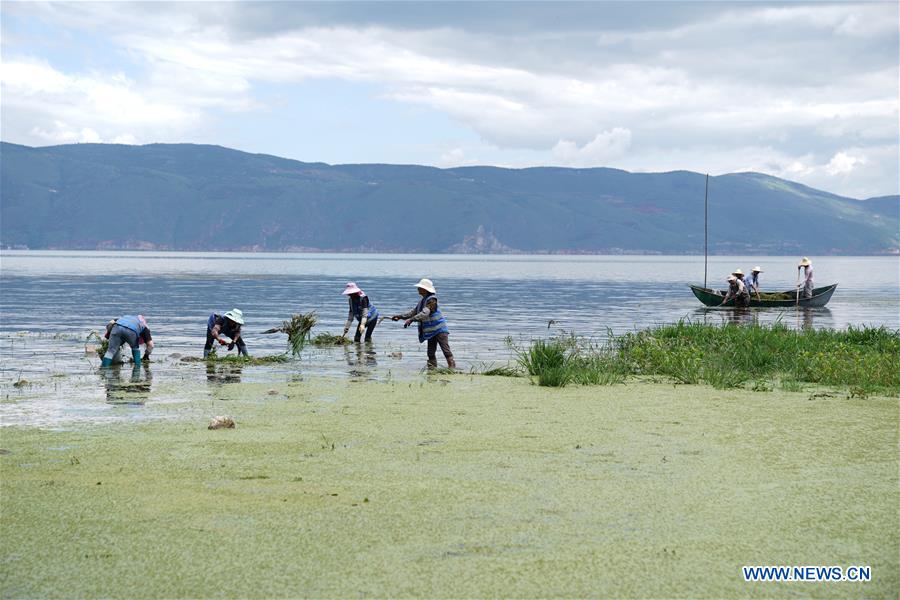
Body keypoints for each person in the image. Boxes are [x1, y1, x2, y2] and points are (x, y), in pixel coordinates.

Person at [391, 278, 456, 369]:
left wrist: (411, 320)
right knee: (430, 353)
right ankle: (432, 370)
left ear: (425, 289)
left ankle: (452, 368)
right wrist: (400, 316)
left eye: (420, 287)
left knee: (446, 351)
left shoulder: (432, 300)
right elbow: (413, 312)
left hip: (440, 330)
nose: (418, 289)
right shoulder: (422, 301)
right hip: (431, 332)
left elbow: (425, 313)